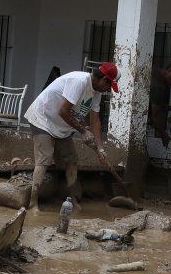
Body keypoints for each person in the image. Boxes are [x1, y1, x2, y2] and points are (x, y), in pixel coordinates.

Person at [22, 63, 117, 210]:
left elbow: (95, 121)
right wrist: (83, 130)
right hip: (42, 119)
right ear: (104, 80)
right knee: (45, 159)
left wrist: (100, 149)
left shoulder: (96, 93)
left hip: (63, 126)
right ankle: (33, 202)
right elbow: (63, 111)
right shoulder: (79, 81)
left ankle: (72, 200)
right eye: (109, 87)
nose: (108, 90)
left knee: (72, 160)